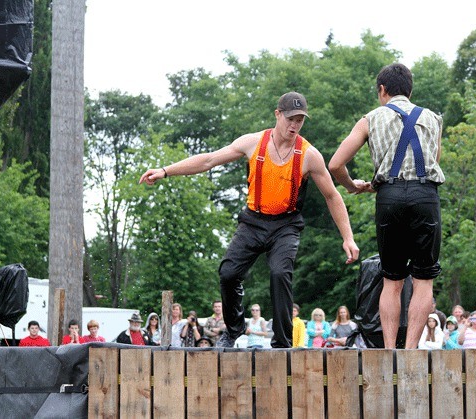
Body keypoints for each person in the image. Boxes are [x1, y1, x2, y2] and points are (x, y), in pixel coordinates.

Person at [139, 92, 359, 348]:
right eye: (290, 118)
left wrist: (348, 237)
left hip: (286, 226)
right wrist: (166, 171)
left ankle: (282, 342)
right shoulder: (253, 143)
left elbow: (332, 196)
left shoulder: (309, 155)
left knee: (279, 273)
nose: (294, 125)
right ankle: (233, 329)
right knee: (229, 273)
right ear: (278, 114)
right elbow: (209, 160)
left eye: (300, 120)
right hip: (254, 221)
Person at [329, 63, 444, 349]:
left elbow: (335, 164)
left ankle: (390, 349)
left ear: (382, 90)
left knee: (392, 280)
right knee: (423, 280)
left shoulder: (370, 119)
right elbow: (435, 160)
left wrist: (353, 186)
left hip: (388, 198)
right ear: (410, 89)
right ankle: (411, 350)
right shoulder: (432, 119)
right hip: (425, 196)